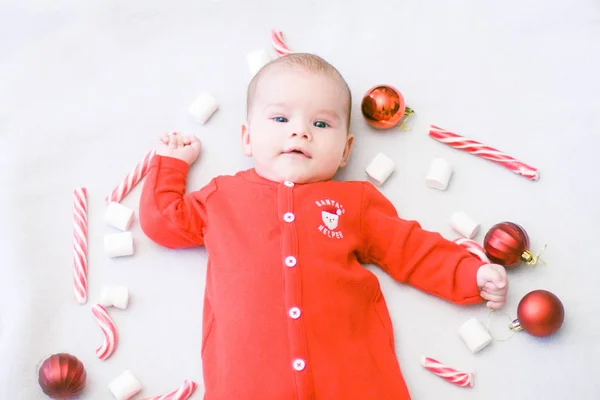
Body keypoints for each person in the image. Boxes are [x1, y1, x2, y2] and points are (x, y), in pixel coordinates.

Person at [139, 53, 508, 399]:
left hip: (353, 377)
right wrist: (170, 165)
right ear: (247, 137)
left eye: (321, 123)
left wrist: (467, 273)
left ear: (345, 151)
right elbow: (163, 223)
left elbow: (409, 247)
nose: (301, 132)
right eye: (281, 119)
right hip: (249, 383)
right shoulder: (222, 197)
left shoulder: (355, 203)